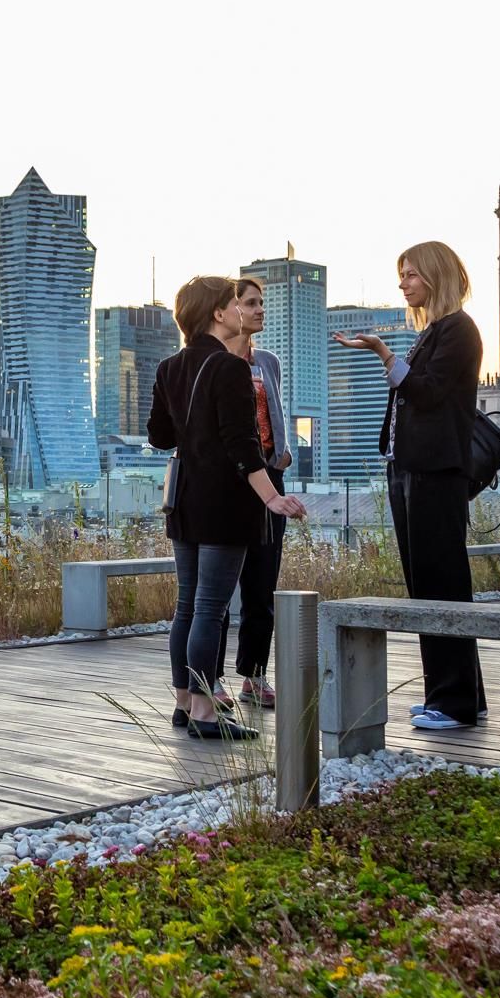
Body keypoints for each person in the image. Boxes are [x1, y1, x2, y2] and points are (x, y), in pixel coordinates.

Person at [332, 241, 486, 731]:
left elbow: (429, 392)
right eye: (402, 275)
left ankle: (455, 702)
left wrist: (383, 353)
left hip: (435, 472)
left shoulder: (458, 329)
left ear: (436, 276)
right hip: (412, 469)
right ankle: (455, 692)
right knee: (426, 583)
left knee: (442, 582)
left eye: (412, 274)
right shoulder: (433, 331)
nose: (403, 284)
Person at [149, 274, 308, 741]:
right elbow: (243, 447)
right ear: (218, 313)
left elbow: (160, 436)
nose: (243, 310)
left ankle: (184, 702)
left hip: (184, 501)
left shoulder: (169, 367)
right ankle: (204, 711)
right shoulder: (230, 368)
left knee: (187, 606)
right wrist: (272, 497)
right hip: (224, 503)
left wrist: (194, 426)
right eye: (235, 304)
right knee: (209, 608)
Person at [218, 275, 289, 708]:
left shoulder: (267, 362)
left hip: (270, 479)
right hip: (228, 483)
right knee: (219, 587)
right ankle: (210, 679)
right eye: (250, 302)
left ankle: (254, 675)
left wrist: (282, 455)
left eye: (261, 302)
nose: (260, 309)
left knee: (262, 584)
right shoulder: (215, 362)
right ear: (229, 311)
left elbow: (276, 411)